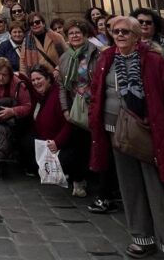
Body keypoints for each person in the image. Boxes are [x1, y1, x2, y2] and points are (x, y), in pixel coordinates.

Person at [88, 16, 164, 259]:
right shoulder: (106, 58)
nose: (120, 35)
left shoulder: (153, 60)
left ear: (136, 36)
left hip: (147, 131)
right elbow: (97, 91)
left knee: (158, 187)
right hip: (114, 130)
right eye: (116, 31)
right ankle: (142, 238)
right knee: (130, 187)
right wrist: (95, 118)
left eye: (125, 31)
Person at [58, 20, 103, 199]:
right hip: (76, 107)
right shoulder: (65, 57)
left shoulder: (96, 53)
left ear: (85, 35)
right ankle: (79, 180)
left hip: (94, 104)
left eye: (78, 33)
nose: (75, 36)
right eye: (71, 33)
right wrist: (65, 109)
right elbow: (62, 86)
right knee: (79, 145)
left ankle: (102, 183)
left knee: (98, 143)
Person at [29, 64, 76, 183]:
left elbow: (69, 123)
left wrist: (57, 142)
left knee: (64, 161)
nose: (36, 82)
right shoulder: (41, 95)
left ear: (48, 79)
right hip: (45, 142)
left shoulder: (58, 95)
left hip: (59, 144)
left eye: (39, 79)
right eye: (33, 80)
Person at [133, 9, 164, 76]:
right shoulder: (130, 44)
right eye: (140, 22)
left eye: (148, 22)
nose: (144, 24)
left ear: (155, 26)